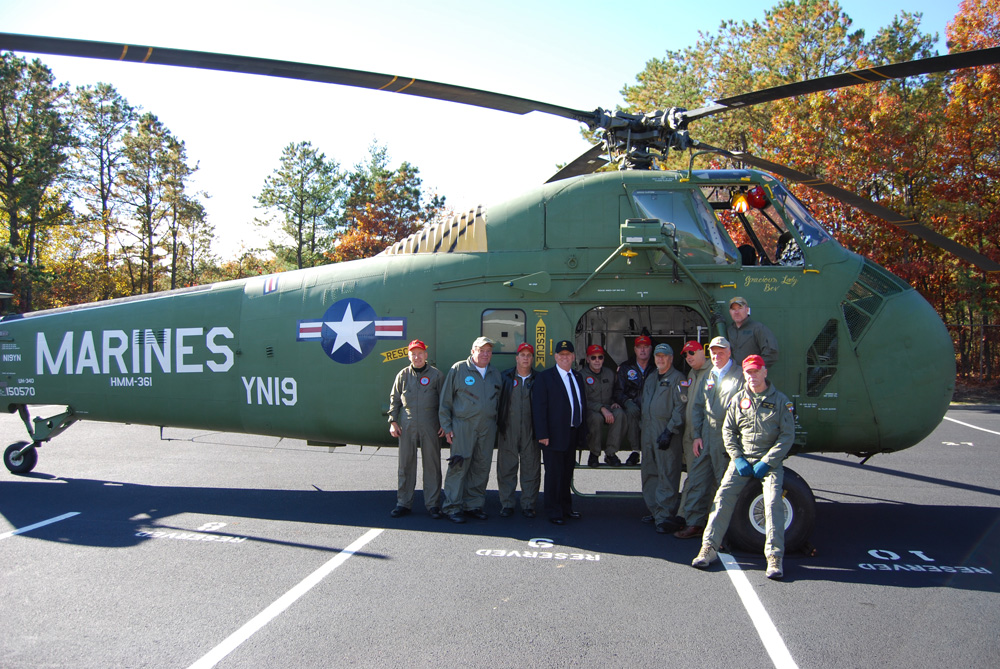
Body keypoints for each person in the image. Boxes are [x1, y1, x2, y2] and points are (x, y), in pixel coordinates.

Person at [692, 354, 796, 579]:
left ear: (764, 372)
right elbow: (728, 431)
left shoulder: (780, 402)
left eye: (756, 371)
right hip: (742, 459)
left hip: (769, 462)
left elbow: (787, 436)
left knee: (773, 504)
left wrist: (767, 461)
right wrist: (737, 457)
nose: (753, 376)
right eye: (749, 372)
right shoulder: (738, 400)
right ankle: (708, 549)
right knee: (721, 500)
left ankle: (774, 557)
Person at [676, 336, 744, 539]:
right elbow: (697, 406)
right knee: (697, 480)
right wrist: (697, 435)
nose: (716, 355)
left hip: (725, 437)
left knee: (724, 485)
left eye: (721, 351)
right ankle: (694, 523)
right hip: (705, 436)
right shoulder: (709, 375)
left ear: (729, 352)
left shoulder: (739, 375)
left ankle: (726, 530)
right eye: (714, 352)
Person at [438, 336, 502, 524]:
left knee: (481, 467)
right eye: (481, 350)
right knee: (459, 466)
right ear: (472, 350)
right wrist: (446, 426)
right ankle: (452, 507)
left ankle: (473, 505)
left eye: (488, 351)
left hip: (487, 427)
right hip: (463, 426)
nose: (485, 354)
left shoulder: (494, 374)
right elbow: (445, 401)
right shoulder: (458, 369)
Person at [387, 339, 445, 519]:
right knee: (405, 465)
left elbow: (444, 402)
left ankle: (433, 504)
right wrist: (393, 421)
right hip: (407, 423)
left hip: (430, 423)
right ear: (409, 355)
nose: (417, 356)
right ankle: (403, 502)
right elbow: (394, 400)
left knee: (432, 466)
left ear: (426, 355)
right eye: (413, 353)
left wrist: (445, 423)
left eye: (420, 353)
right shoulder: (403, 375)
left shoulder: (436, 375)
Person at [532, 339, 588, 525]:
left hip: (572, 432)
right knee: (554, 474)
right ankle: (553, 511)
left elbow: (581, 404)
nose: (565, 357)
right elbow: (539, 408)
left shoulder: (577, 377)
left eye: (568, 355)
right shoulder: (545, 377)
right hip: (553, 435)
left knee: (566, 474)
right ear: (555, 357)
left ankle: (566, 508)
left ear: (573, 357)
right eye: (561, 355)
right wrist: (542, 434)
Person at [639, 343, 686, 534]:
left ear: (671, 358)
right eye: (657, 355)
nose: (660, 359)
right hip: (649, 432)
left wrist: (670, 430)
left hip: (666, 432)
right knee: (649, 473)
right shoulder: (651, 378)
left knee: (667, 473)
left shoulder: (678, 379)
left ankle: (664, 516)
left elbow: (680, 408)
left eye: (664, 356)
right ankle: (655, 509)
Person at [496, 342, 540, 518]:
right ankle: (507, 504)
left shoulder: (539, 379)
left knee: (531, 468)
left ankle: (528, 504)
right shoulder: (505, 377)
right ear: (517, 358)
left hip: (532, 430)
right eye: (522, 355)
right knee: (506, 468)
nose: (525, 358)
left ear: (532, 358)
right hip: (508, 429)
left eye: (529, 355)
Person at [675, 340, 711, 536]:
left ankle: (691, 520)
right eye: (685, 355)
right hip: (690, 434)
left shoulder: (711, 373)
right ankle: (688, 516)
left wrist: (700, 434)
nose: (688, 357)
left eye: (692, 352)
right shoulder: (692, 374)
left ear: (701, 352)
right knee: (694, 477)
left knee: (697, 479)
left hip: (702, 436)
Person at [613, 335, 655, 466]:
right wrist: (627, 402)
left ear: (651, 349)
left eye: (646, 347)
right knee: (631, 415)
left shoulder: (656, 368)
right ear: (635, 349)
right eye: (639, 347)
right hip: (632, 406)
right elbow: (618, 391)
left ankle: (651, 453)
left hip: (651, 406)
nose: (642, 350)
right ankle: (635, 451)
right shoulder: (626, 368)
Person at [580, 344, 625, 467]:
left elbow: (617, 390)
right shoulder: (581, 376)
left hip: (608, 406)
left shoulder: (609, 373)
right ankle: (594, 454)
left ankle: (611, 454)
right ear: (587, 359)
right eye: (593, 358)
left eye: (600, 357)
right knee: (596, 418)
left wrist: (616, 402)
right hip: (590, 409)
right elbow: (582, 400)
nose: (597, 361)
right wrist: (601, 408)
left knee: (620, 413)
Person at [726, 296, 779, 368]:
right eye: (733, 309)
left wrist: (754, 368)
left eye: (740, 308)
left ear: (747, 310)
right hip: (733, 376)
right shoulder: (729, 330)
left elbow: (771, 353)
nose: (736, 312)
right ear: (730, 312)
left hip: (751, 376)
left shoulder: (758, 328)